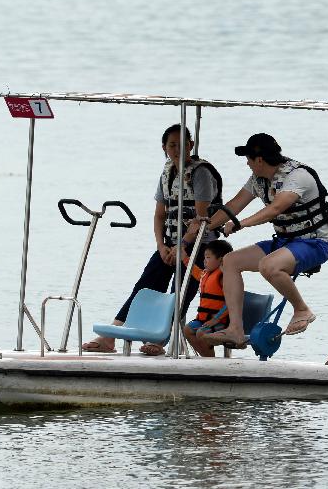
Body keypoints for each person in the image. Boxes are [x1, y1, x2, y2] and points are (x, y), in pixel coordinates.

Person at [81, 124, 223, 356]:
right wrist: (161, 245)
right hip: (169, 243)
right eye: (172, 145)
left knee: (181, 289)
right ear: (164, 148)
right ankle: (111, 336)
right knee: (145, 287)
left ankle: (161, 340)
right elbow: (159, 215)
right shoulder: (167, 173)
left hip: (199, 245)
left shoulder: (201, 174)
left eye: (182, 144)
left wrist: (182, 246)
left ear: (191, 145)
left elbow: (201, 218)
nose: (177, 149)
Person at [201, 133, 328, 347]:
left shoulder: (297, 176)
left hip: (313, 243)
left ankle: (302, 309)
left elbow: (276, 208)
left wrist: (241, 224)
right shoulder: (258, 180)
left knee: (268, 266)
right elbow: (234, 205)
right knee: (230, 261)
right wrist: (205, 226)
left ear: (259, 160)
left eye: (249, 159)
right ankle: (235, 329)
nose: (247, 163)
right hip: (284, 242)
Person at [181, 240, 233, 357]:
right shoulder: (206, 274)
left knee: (201, 332)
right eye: (204, 257)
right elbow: (194, 271)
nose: (204, 260)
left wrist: (217, 318)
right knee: (187, 330)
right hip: (204, 320)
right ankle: (207, 357)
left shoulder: (224, 277)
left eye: (208, 257)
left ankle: (209, 359)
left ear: (221, 260)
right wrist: (184, 258)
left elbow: (232, 303)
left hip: (221, 322)